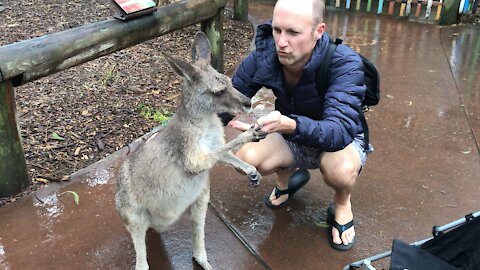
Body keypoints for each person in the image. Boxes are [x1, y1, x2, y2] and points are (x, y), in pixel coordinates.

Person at [226, 0, 373, 251]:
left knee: (340, 169)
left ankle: (341, 203)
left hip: (339, 140)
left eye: (293, 33)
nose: (281, 42)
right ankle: (289, 180)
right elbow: (229, 98)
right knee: (245, 157)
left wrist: (290, 125)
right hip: (291, 131)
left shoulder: (345, 63)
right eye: (277, 30)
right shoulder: (266, 55)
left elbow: (337, 131)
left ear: (319, 31)